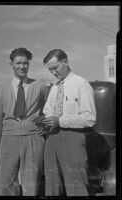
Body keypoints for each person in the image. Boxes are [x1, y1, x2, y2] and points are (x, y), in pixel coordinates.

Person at [0, 47, 49, 196]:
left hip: (33, 139)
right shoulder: (1, 89)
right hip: (8, 140)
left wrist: (45, 128)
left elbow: (49, 112)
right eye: (18, 63)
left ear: (29, 64)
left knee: (32, 186)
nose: (22, 66)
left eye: (25, 63)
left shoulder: (40, 87)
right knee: (4, 185)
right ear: (11, 64)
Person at [42, 49, 97, 196]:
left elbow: (89, 118)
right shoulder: (54, 87)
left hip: (73, 139)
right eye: (50, 70)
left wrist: (60, 121)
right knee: (51, 187)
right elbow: (47, 110)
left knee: (76, 187)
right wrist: (45, 120)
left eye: (55, 68)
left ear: (65, 62)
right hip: (51, 138)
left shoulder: (82, 84)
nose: (53, 73)